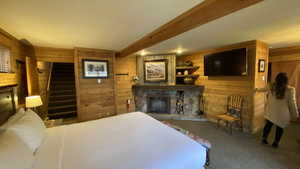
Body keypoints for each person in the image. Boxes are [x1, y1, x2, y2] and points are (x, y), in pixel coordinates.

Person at [262, 73, 299, 148]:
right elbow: (292, 104)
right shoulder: (290, 90)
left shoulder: (271, 87)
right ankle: (275, 143)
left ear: (276, 79)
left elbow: (262, 89)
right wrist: (295, 114)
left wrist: (256, 90)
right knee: (280, 128)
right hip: (282, 114)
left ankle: (264, 138)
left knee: (268, 125)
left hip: (271, 112)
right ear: (286, 81)